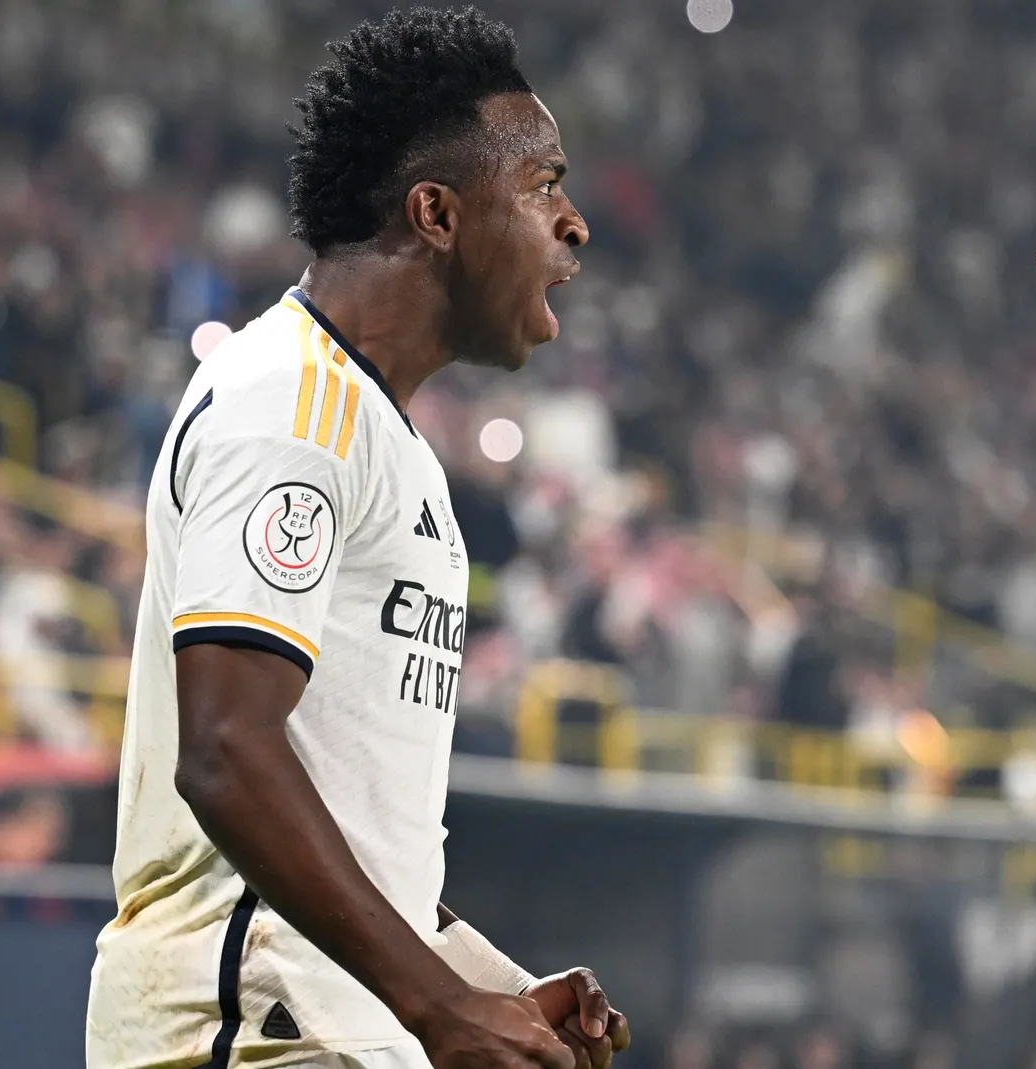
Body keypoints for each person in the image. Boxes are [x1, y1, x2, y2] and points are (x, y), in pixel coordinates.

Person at [86, 9, 630, 1069]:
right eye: (541, 185)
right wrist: (436, 1006)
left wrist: (485, 987)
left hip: (314, 1029)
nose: (574, 225)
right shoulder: (291, 401)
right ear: (435, 213)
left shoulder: (381, 438)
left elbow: (341, 820)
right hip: (245, 1038)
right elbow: (228, 748)